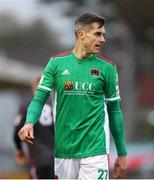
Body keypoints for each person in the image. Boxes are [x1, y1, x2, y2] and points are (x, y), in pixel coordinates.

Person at [18, 12, 127, 179]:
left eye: (103, 35)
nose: (103, 39)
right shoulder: (56, 64)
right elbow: (39, 99)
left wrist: (122, 152)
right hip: (64, 151)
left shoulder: (108, 69)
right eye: (98, 34)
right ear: (81, 34)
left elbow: (114, 111)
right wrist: (29, 122)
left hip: (95, 150)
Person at [14, 77, 54, 179]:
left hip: (38, 160)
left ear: (34, 88)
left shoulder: (27, 104)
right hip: (56, 159)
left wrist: (19, 150)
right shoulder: (55, 104)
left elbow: (17, 130)